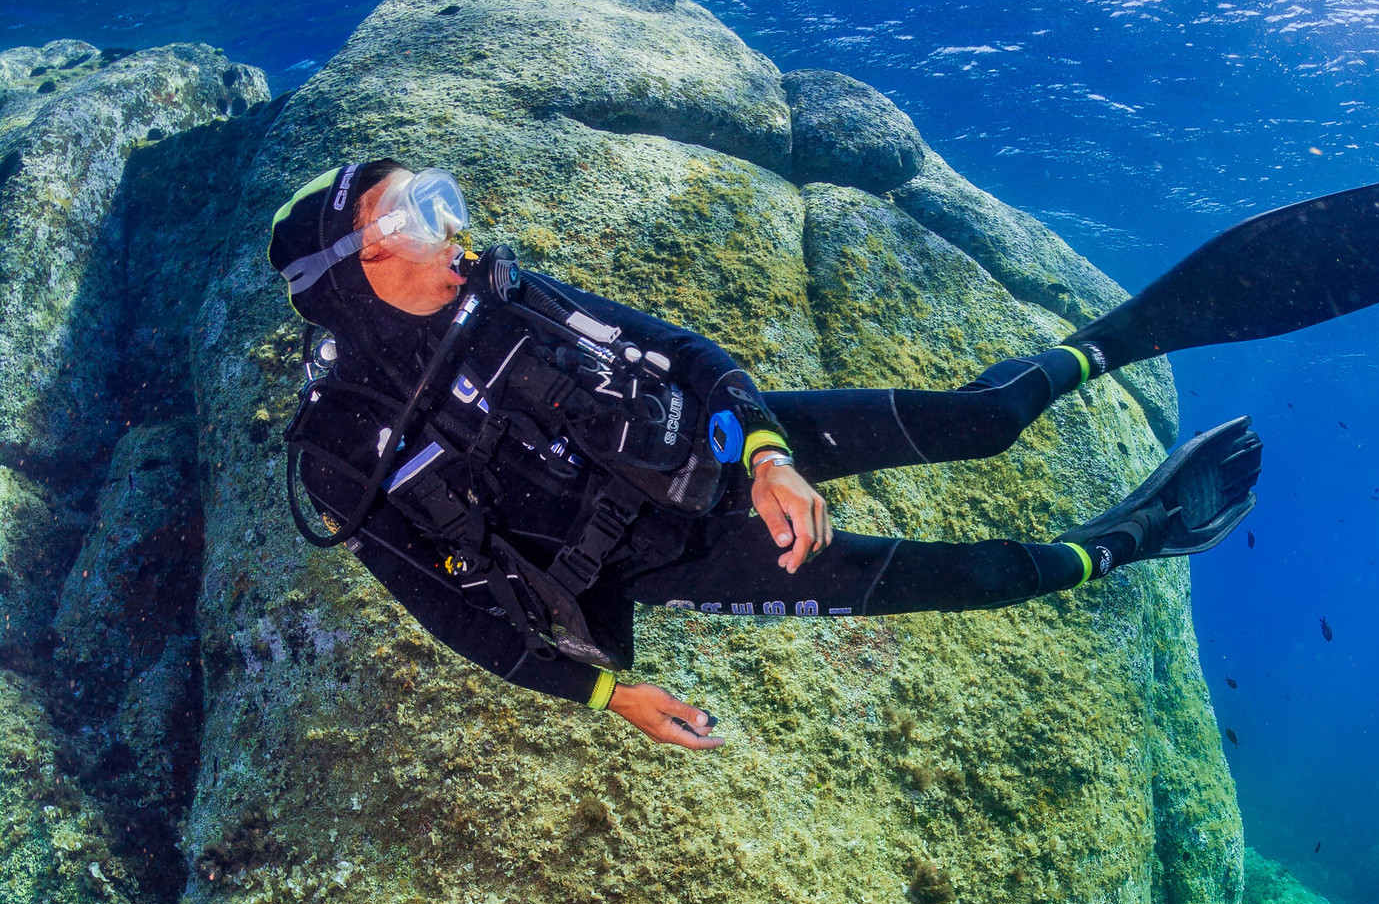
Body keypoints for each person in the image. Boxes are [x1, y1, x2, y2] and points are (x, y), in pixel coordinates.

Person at [268, 158, 1263, 748]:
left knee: (981, 421)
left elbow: (688, 355)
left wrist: (768, 456)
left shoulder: (501, 292)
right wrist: (610, 694)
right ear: (346, 272)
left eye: (439, 199)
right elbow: (451, 614)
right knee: (986, 576)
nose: (452, 231)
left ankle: (1116, 341)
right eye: (411, 218)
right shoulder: (340, 451)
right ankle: (1132, 537)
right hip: (671, 559)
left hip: (712, 448)